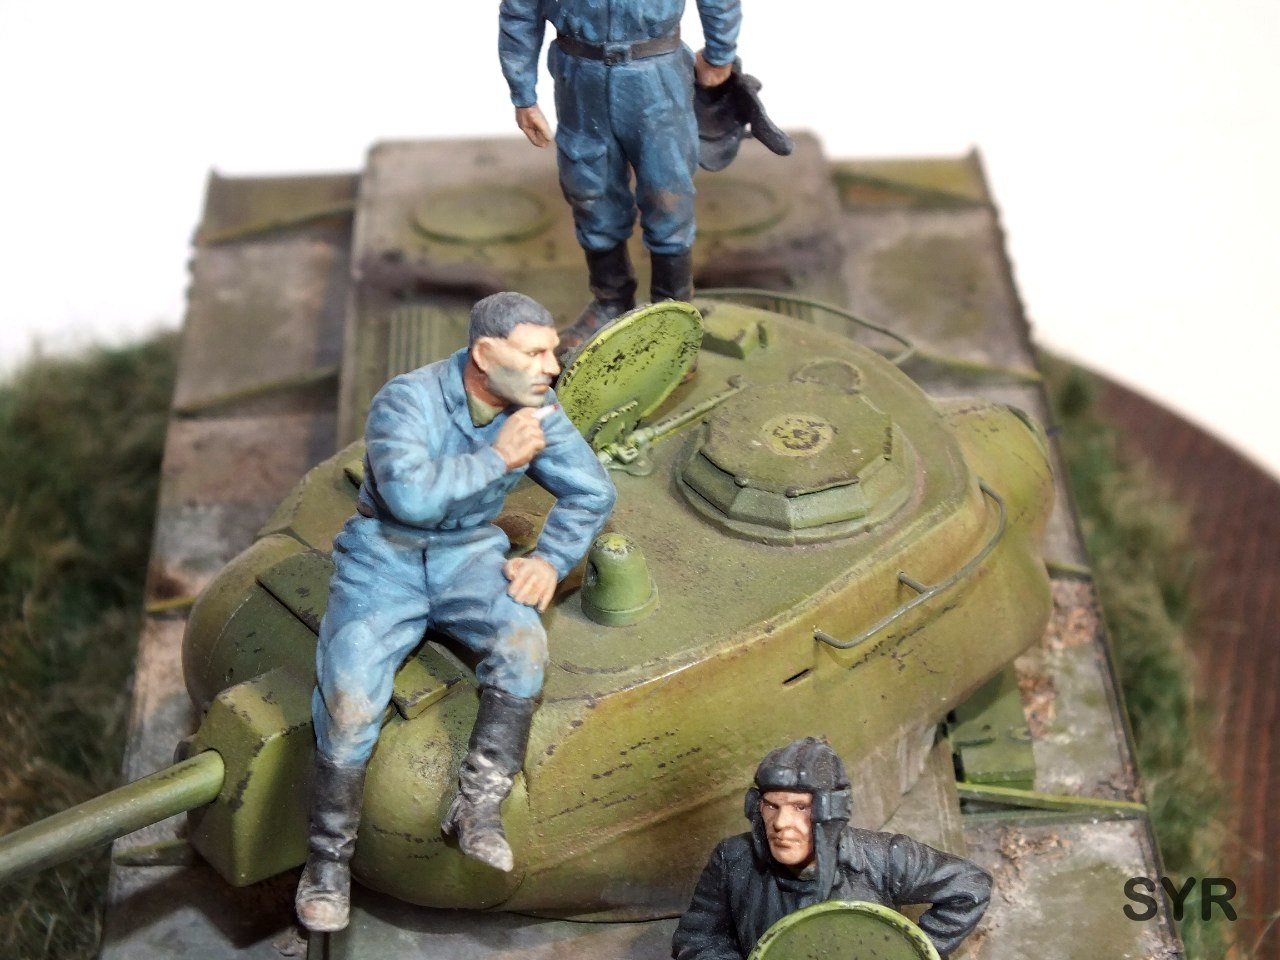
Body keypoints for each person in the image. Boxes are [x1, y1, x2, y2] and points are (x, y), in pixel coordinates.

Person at [294, 292, 616, 933]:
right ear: (485, 355)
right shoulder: (406, 400)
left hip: (467, 553)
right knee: (350, 698)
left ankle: (478, 807)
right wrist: (499, 458)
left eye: (552, 351)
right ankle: (327, 861)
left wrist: (549, 560)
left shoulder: (537, 410)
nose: (552, 366)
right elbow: (410, 498)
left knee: (523, 646)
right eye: (535, 353)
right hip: (385, 556)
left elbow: (592, 490)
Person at [498, 0, 741, 354]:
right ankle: (611, 301)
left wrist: (720, 55)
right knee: (589, 189)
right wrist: (523, 93)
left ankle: (672, 312)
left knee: (668, 193)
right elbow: (520, 10)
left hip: (657, 76)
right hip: (580, 78)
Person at [672, 738, 993, 959]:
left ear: (831, 811)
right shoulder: (733, 859)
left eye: (800, 807)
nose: (781, 822)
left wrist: (912, 950)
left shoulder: (883, 857)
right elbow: (698, 937)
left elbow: (969, 886)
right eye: (771, 806)